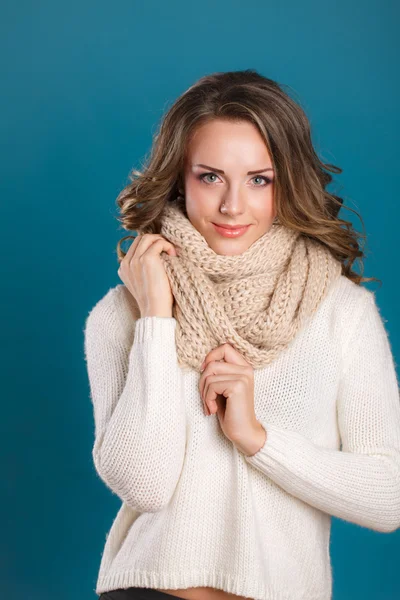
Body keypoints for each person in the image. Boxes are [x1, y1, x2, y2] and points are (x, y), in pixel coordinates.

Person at [83, 70, 400, 600]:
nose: (233, 206)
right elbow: (144, 483)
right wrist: (157, 319)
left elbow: (388, 497)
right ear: (179, 179)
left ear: (288, 181)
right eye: (210, 177)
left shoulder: (340, 311)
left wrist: (257, 439)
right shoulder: (123, 315)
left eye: (260, 179)